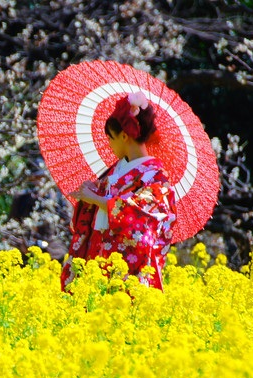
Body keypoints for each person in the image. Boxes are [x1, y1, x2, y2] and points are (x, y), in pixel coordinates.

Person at [60, 92, 177, 292]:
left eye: (111, 138)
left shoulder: (157, 178)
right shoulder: (115, 170)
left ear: (124, 136)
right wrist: (90, 193)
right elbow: (98, 203)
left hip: (127, 266)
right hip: (96, 254)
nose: (110, 144)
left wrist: (97, 200)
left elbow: (141, 215)